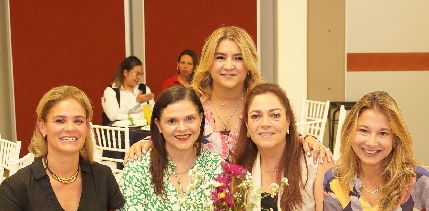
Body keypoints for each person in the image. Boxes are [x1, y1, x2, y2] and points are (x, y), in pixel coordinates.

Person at [126, 26, 332, 163]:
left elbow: (279, 130)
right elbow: (173, 131)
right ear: (209, 62)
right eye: (221, 57)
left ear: (249, 64)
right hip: (199, 208)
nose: (229, 66)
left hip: (252, 208)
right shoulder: (192, 103)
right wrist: (146, 142)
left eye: (238, 58)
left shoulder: (259, 104)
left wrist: (307, 139)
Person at [0, 85, 125, 211]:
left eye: (78, 121)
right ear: (43, 126)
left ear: (87, 127)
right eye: (60, 120)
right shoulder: (17, 187)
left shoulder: (103, 177)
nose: (70, 128)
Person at [115, 85, 223, 211]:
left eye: (189, 119)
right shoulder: (139, 166)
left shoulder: (216, 167)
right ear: (158, 124)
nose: (182, 128)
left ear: (201, 119)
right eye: (172, 121)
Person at [321, 91, 429, 211]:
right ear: (350, 132)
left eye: (383, 133)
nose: (371, 142)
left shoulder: (419, 182)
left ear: (395, 139)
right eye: (363, 130)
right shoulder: (336, 180)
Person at [233, 83, 332, 211]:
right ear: (247, 126)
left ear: (288, 122)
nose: (265, 123)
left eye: (275, 115)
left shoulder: (315, 162)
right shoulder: (242, 171)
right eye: (256, 116)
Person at [102, 56, 155, 126]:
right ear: (125, 73)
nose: (139, 77)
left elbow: (153, 112)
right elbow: (113, 116)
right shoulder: (111, 91)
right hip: (120, 133)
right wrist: (136, 102)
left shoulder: (144, 89)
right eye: (136, 74)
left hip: (144, 132)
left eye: (141, 74)